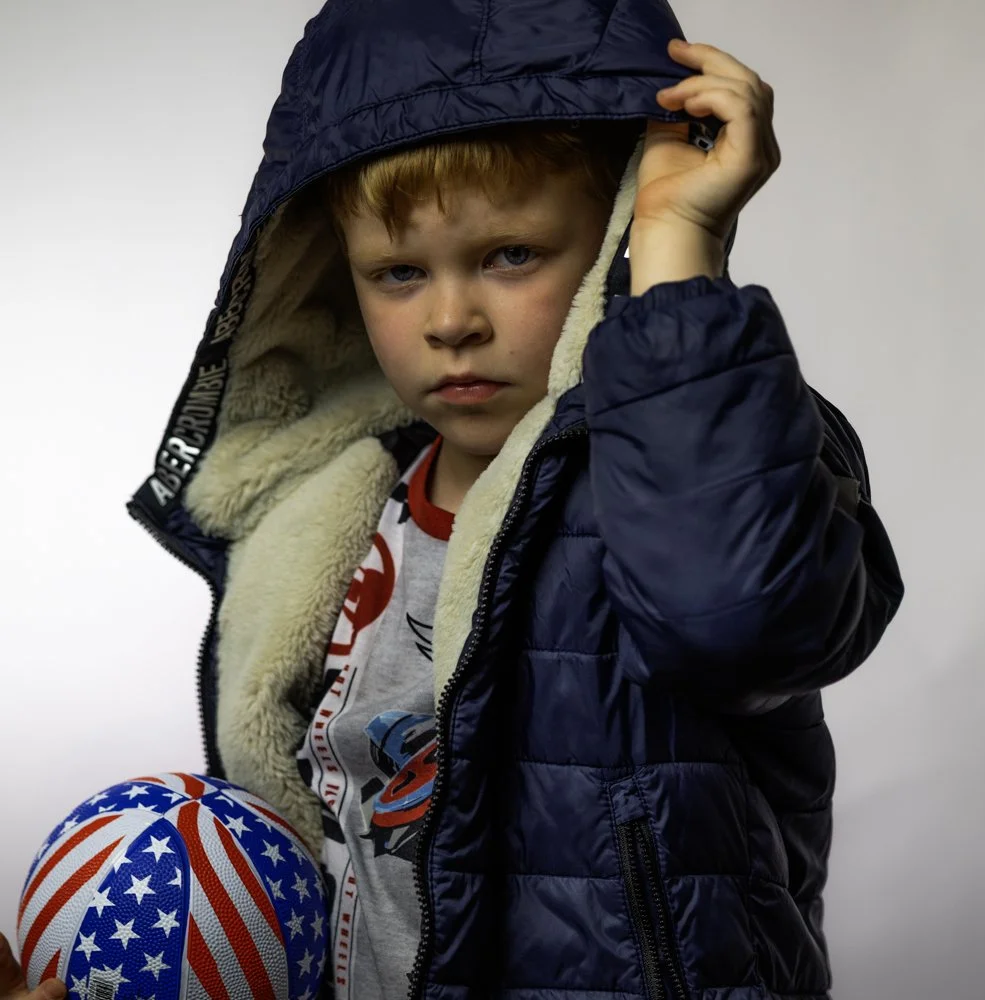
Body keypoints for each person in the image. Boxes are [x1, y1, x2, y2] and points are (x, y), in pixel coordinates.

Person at [6, 0, 904, 998]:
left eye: (509, 254)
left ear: (611, 235)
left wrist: (677, 246)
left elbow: (743, 616)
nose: (449, 320)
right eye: (397, 272)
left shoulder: (694, 454)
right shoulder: (334, 509)